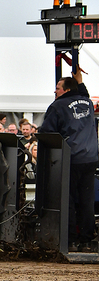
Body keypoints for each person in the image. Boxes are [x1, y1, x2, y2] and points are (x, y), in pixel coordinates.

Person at [40, 70, 98, 252]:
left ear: (65, 90)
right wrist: (80, 82)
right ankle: (87, 242)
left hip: (71, 158)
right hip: (90, 159)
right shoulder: (88, 103)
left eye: (57, 88)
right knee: (87, 201)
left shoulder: (57, 107)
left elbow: (46, 132)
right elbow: (82, 94)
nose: (55, 91)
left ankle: (70, 240)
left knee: (69, 201)